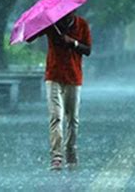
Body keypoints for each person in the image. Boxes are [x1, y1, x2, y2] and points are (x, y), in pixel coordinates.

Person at [29, 10, 92, 171]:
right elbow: (30, 38)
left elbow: (88, 50)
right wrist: (38, 23)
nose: (66, 16)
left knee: (73, 118)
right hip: (53, 75)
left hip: (74, 77)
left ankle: (70, 151)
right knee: (56, 117)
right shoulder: (52, 24)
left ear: (75, 12)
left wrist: (73, 43)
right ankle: (56, 156)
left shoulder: (82, 24)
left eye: (69, 13)